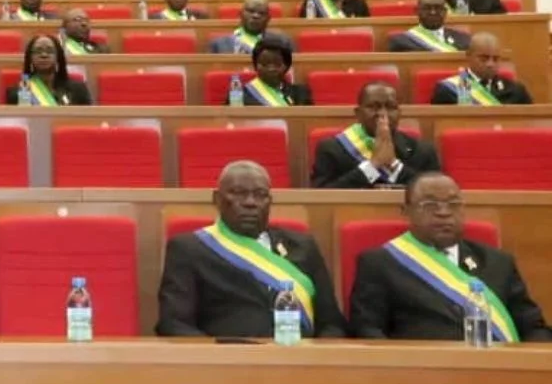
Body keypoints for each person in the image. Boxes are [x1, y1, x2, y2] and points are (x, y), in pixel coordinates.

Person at [349, 173, 549, 342]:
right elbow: (367, 332)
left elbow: (532, 327)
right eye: (430, 205)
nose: (444, 213)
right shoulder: (380, 263)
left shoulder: (498, 262)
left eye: (453, 204)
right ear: (406, 211)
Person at [155, 160, 345, 338]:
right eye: (238, 193)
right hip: (228, 364)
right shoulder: (190, 248)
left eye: (260, 195)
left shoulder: (302, 246)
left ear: (270, 201)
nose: (250, 202)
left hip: (299, 361)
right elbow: (173, 323)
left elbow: (331, 323)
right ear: (217, 199)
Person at [311, 82, 441, 188]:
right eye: (373, 107)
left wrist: (394, 166)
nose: (383, 114)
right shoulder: (332, 148)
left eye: (390, 107)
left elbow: (436, 191)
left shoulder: (423, 151)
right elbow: (322, 196)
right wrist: (372, 166)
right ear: (358, 113)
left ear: (399, 113)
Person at [429, 32, 533, 105]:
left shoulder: (516, 90)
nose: (490, 64)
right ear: (469, 56)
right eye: (484, 58)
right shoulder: (449, 90)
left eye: (495, 59)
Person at [5, 35, 91, 106]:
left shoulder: (78, 90)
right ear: (30, 58)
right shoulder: (19, 91)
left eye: (50, 51)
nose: (44, 55)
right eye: (38, 51)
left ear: (58, 57)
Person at [232, 37, 313, 106]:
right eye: (264, 64)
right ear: (255, 66)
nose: (271, 69)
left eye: (277, 64)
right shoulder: (240, 95)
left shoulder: (300, 93)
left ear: (287, 66)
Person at [388, 0, 470, 52]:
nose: (433, 12)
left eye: (437, 8)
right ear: (417, 11)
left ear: (445, 12)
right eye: (427, 8)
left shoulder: (463, 39)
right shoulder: (401, 41)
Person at [208, 0, 272, 54]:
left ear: (268, 19)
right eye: (251, 11)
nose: (256, 16)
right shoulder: (219, 44)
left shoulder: (278, 44)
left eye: (262, 13)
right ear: (240, 14)